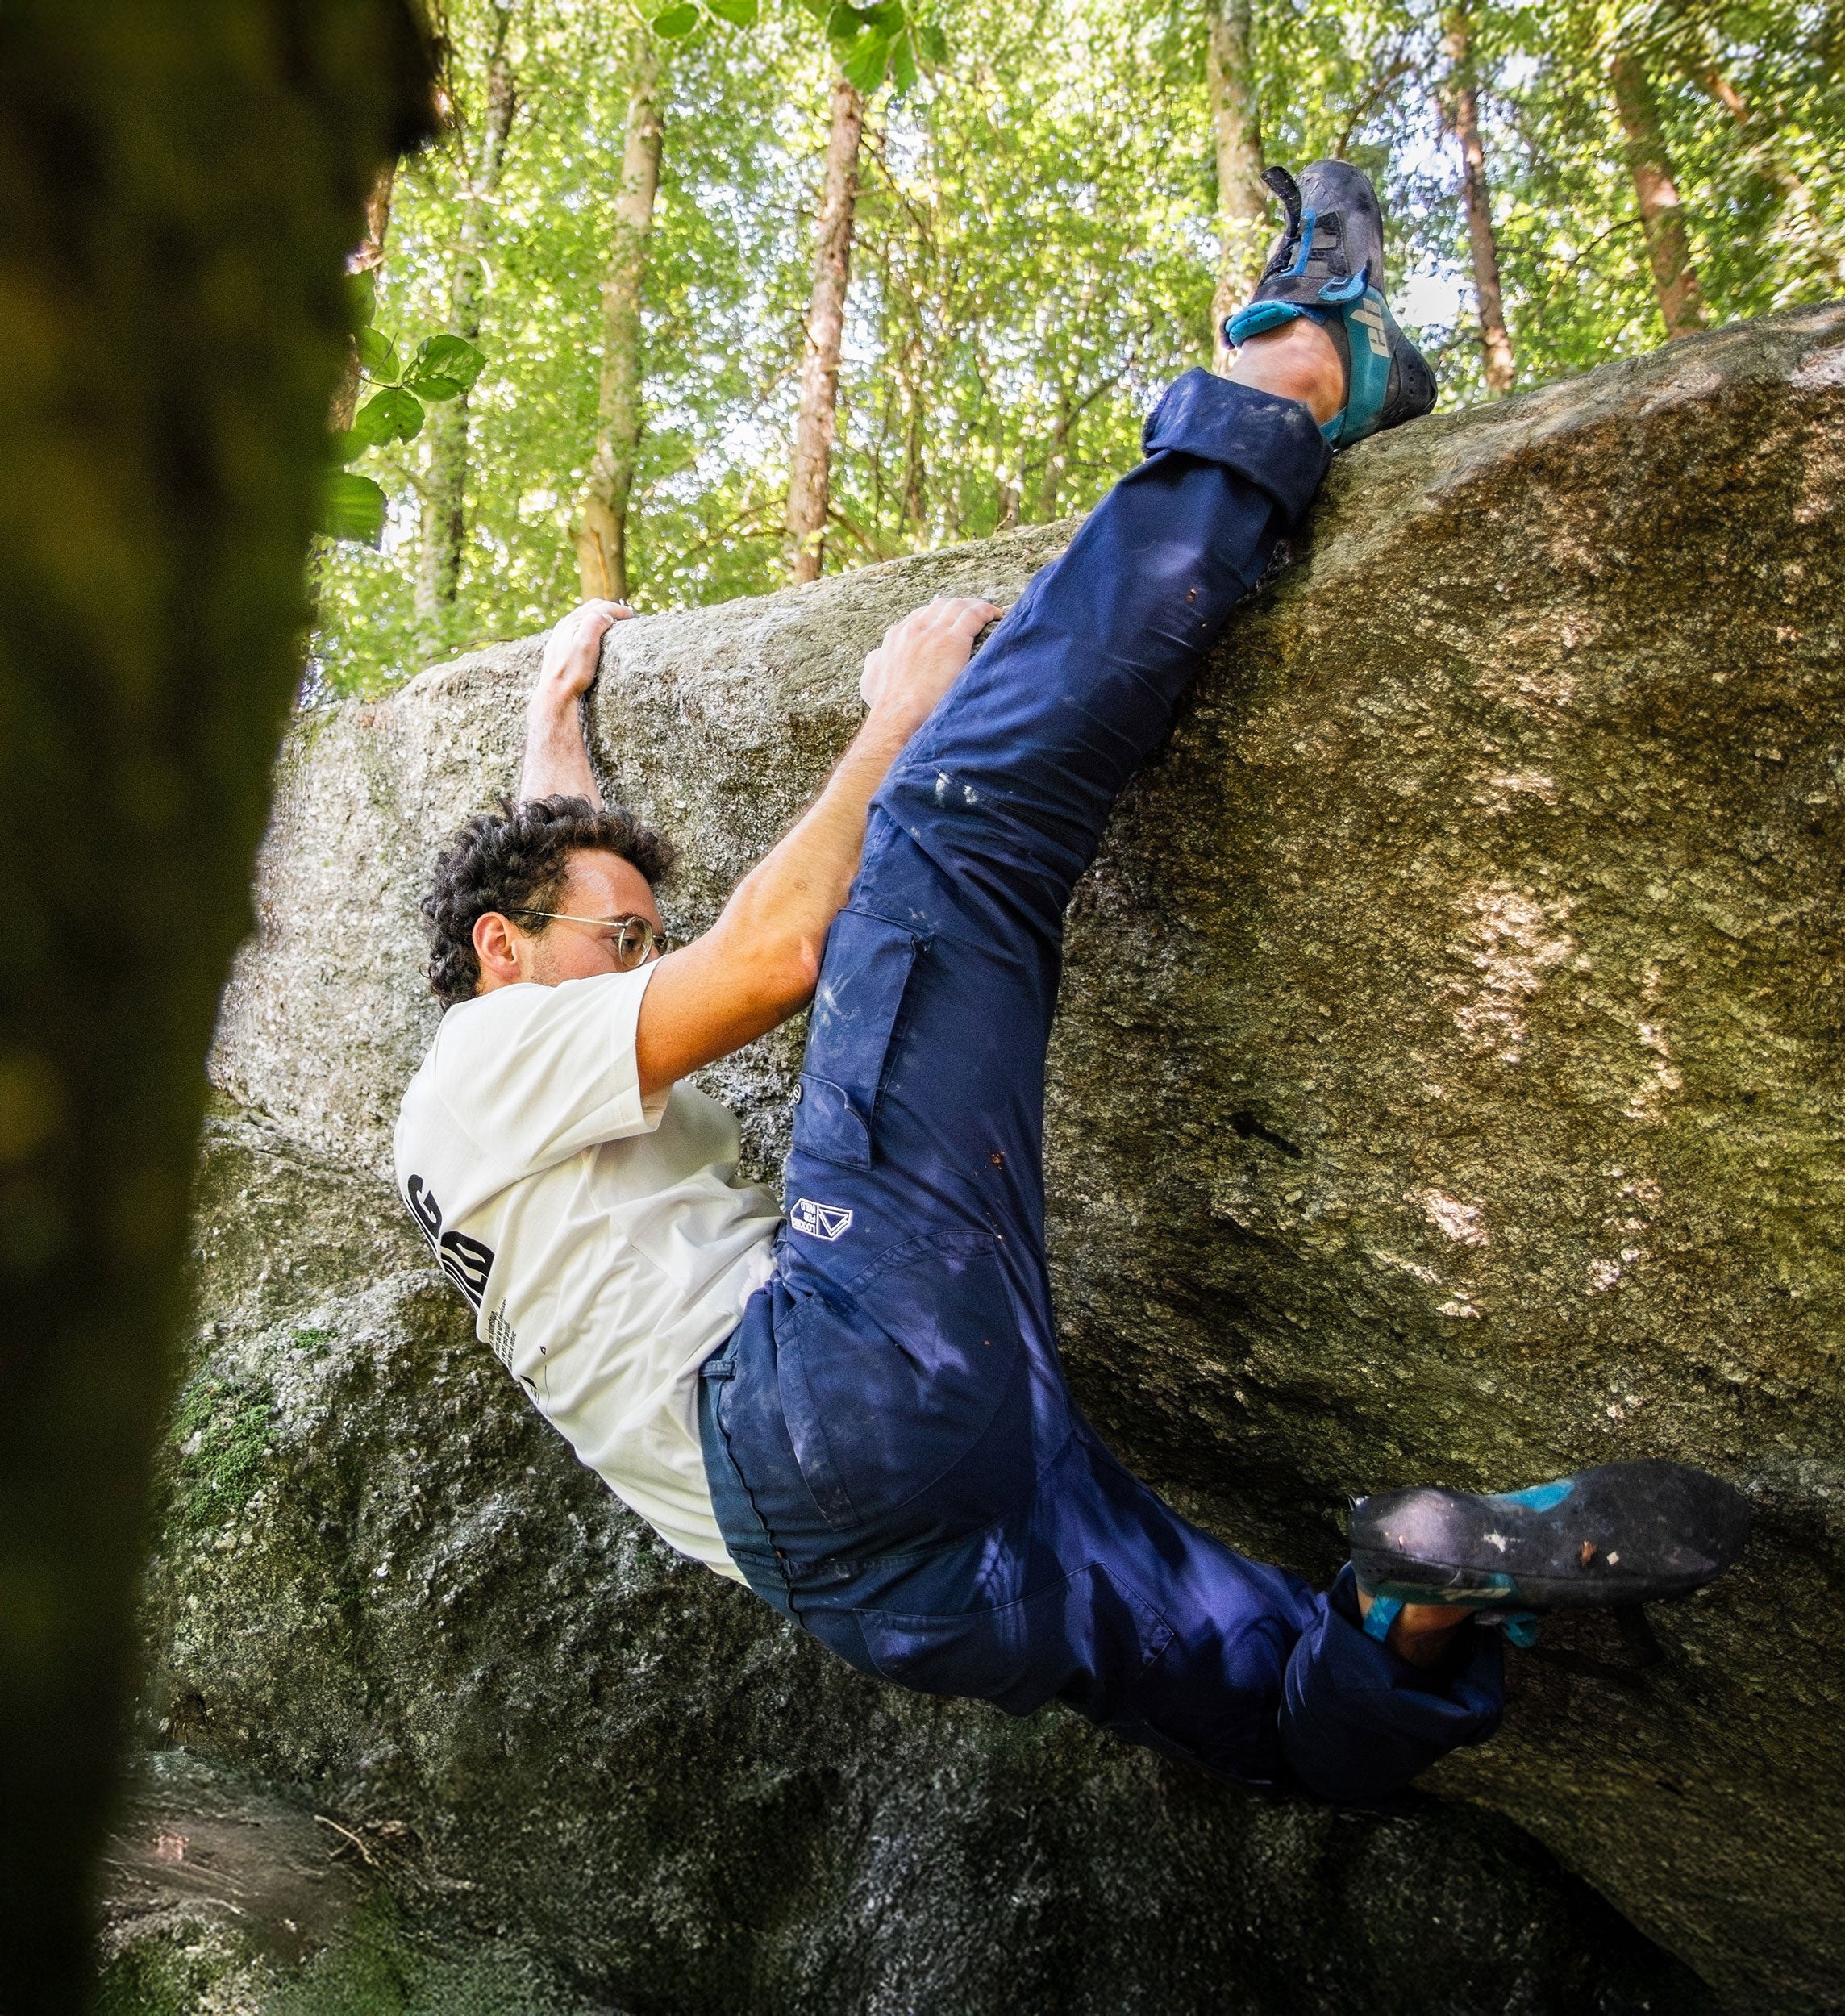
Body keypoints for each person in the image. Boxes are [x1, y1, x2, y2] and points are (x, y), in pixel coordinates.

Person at [395, 163, 1747, 1806]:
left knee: (1257, 1699)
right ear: (500, 955)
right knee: (947, 837)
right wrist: (896, 712)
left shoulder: (491, 1105)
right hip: (825, 1399)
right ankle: (1295, 379)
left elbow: (563, 872)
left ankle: (1402, 1617)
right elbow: (769, 957)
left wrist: (560, 689)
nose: (647, 956)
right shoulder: (483, 1062)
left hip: (894, 1586)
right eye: (624, 937)